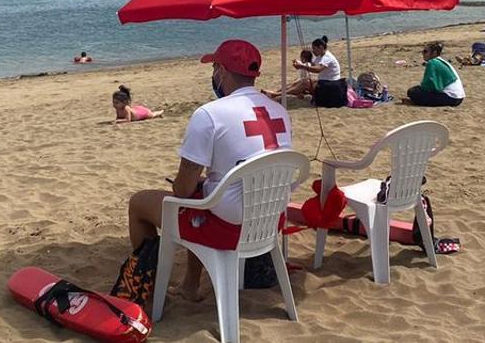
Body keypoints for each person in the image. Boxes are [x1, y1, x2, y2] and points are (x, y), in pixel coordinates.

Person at [126, 39, 291, 301]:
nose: (213, 75)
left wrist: (190, 184)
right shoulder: (280, 111)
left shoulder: (209, 114)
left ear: (222, 71)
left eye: (214, 68)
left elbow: (182, 188)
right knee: (203, 195)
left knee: (141, 204)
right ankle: (190, 284)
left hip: (228, 226)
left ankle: (150, 286)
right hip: (270, 219)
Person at [293, 36, 346, 107]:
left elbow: (317, 69)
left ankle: (279, 94)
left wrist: (301, 66)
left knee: (304, 83)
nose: (313, 51)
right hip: (325, 82)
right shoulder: (320, 56)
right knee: (298, 81)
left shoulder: (327, 57)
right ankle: (279, 92)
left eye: (314, 48)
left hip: (331, 85)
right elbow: (313, 65)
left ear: (320, 47)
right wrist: (301, 62)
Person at [406, 42, 465, 107]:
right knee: (417, 90)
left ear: (434, 53)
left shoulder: (432, 62)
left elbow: (430, 86)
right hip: (458, 97)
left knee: (413, 92)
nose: (422, 53)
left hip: (452, 98)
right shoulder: (441, 61)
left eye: (425, 51)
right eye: (422, 51)